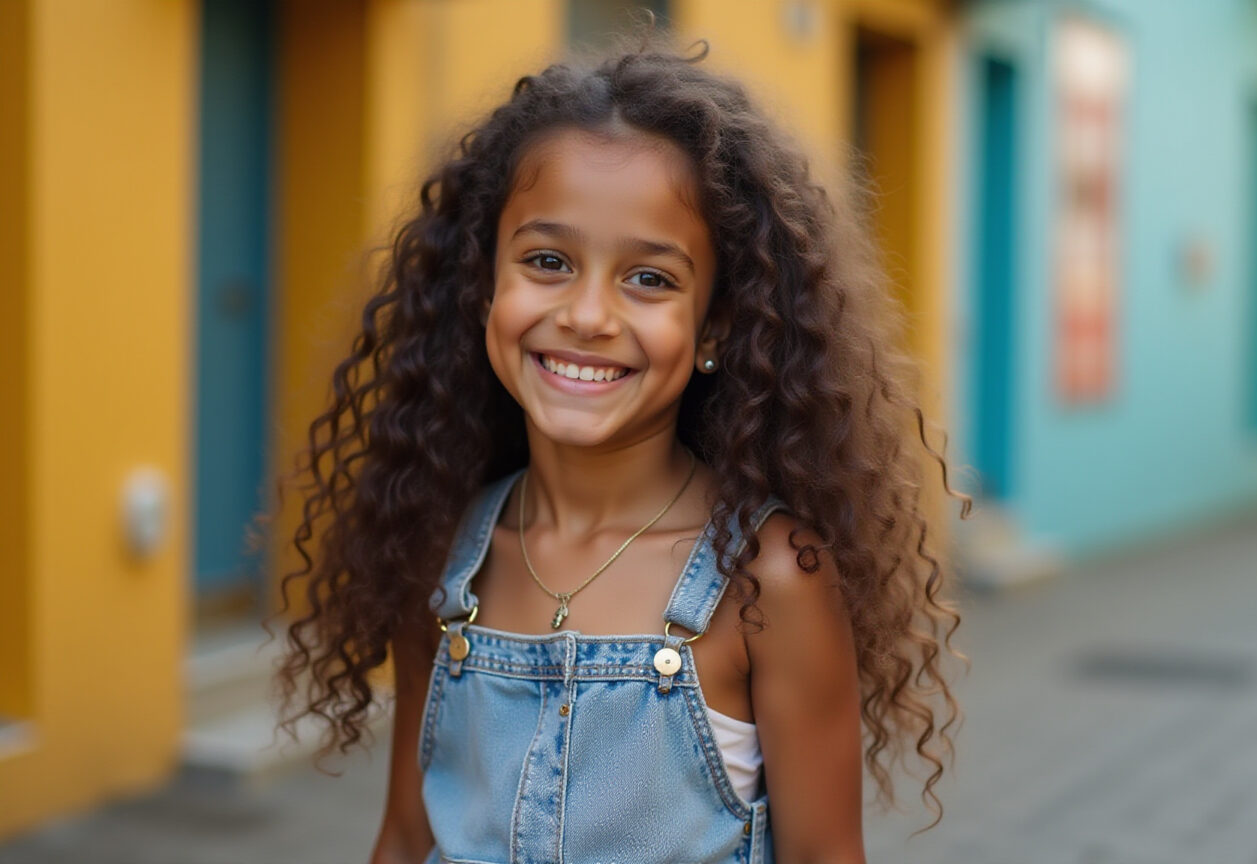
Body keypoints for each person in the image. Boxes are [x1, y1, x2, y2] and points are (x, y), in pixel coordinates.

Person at [267, 39, 967, 864]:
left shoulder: (768, 580)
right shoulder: (447, 557)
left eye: (650, 279)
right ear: (484, 287)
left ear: (715, 327)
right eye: (548, 261)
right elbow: (407, 835)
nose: (589, 314)